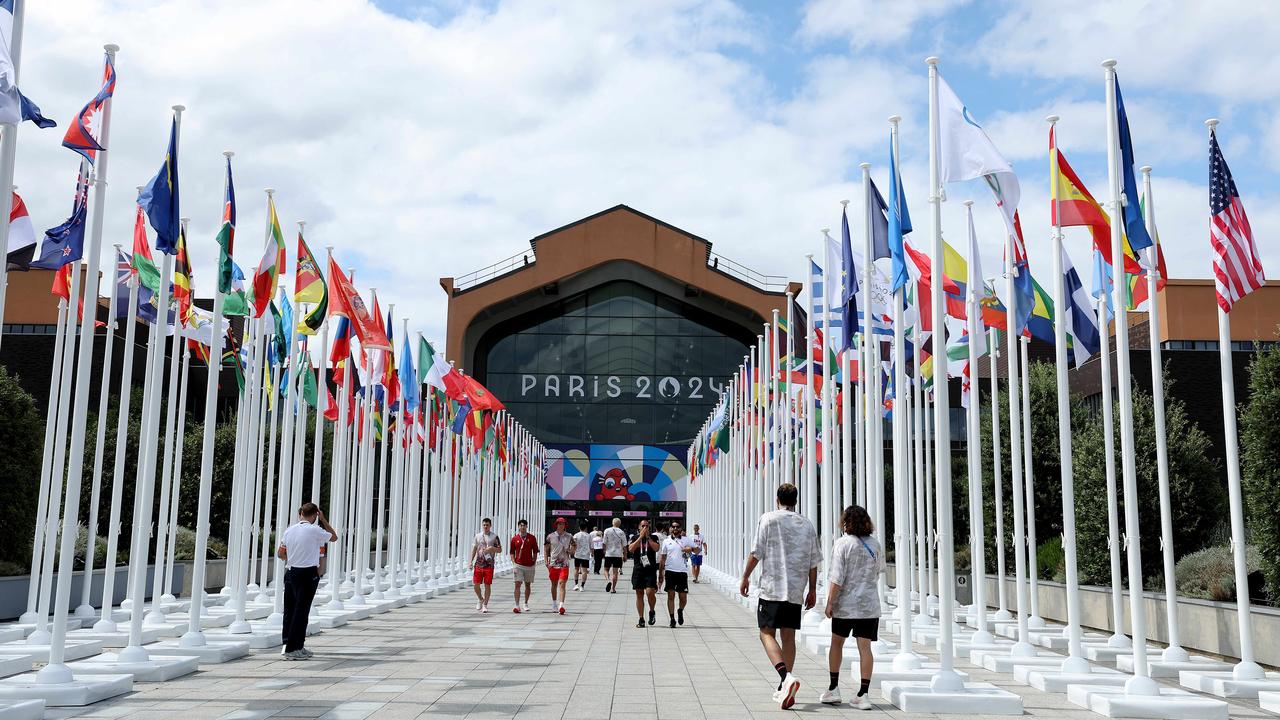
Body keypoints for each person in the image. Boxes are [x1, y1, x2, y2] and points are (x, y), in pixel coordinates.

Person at [740, 483, 820, 710]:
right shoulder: (807, 524)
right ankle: (784, 684)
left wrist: (745, 576)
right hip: (796, 589)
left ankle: (786, 678)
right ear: (796, 500)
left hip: (773, 587)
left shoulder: (768, 519)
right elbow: (814, 561)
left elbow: (757, 552)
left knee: (765, 633)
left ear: (777, 499)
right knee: (788, 637)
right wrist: (812, 589)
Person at [821, 505, 884, 708]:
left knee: (837, 643)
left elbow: (837, 578)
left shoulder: (842, 544)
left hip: (845, 605)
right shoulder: (875, 545)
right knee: (865, 648)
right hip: (868, 605)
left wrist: (830, 602)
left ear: (845, 522)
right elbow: (879, 571)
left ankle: (833, 688)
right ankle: (863, 694)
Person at [276, 503, 337, 660]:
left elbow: (280, 553)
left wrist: (293, 558)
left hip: (291, 572)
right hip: (307, 573)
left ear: (300, 514)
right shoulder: (315, 530)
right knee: (301, 611)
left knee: (290, 609)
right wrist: (323, 520)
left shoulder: (289, 530)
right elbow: (334, 537)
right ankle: (293, 648)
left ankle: (292, 645)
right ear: (315, 514)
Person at [658, 521, 695, 628]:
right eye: (673, 527)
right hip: (670, 571)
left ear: (680, 528)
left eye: (677, 527)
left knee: (683, 598)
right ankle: (672, 619)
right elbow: (663, 558)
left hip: (682, 572)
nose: (675, 528)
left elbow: (698, 550)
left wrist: (691, 549)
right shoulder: (666, 541)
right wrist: (660, 573)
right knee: (671, 595)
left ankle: (680, 610)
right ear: (670, 528)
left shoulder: (686, 540)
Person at [627, 519, 661, 628]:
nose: (645, 527)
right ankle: (641, 618)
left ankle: (651, 611)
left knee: (650, 592)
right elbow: (631, 549)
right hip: (638, 569)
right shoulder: (634, 537)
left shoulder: (654, 537)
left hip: (650, 569)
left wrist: (647, 538)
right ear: (639, 527)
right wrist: (640, 538)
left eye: (647, 526)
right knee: (639, 593)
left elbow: (656, 548)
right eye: (643, 526)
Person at [470, 517, 502, 613]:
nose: (485, 527)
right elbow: (474, 548)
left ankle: (485, 604)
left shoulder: (494, 536)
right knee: (476, 585)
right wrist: (470, 561)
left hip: (489, 564)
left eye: (487, 525)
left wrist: (492, 548)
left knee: (487, 585)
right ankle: (480, 599)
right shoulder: (478, 536)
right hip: (478, 564)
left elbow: (500, 550)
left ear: (490, 526)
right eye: (484, 525)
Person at [544, 517, 574, 614]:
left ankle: (561, 605)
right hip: (553, 564)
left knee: (562, 584)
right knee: (554, 585)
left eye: (563, 524)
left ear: (565, 525)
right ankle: (554, 604)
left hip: (564, 564)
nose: (561, 526)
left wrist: (569, 551)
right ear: (556, 525)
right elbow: (546, 549)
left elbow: (574, 548)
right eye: (559, 524)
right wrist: (546, 561)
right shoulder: (550, 536)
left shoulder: (569, 536)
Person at [510, 519, 539, 613]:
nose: (522, 527)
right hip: (518, 565)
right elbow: (511, 552)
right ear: (518, 527)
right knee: (517, 584)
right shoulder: (515, 538)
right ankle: (517, 605)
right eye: (521, 525)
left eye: (524, 525)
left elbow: (535, 550)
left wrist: (534, 561)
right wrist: (514, 562)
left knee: (527, 585)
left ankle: (525, 603)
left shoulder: (532, 538)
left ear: (527, 527)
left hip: (529, 565)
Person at [602, 518, 626, 593]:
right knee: (615, 572)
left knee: (606, 569)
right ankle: (613, 589)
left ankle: (608, 580)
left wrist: (604, 551)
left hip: (609, 554)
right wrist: (625, 555)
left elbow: (604, 543)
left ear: (612, 523)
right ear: (619, 524)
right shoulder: (621, 532)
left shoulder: (607, 530)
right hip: (618, 554)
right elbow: (624, 545)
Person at [572, 522, 593, 592]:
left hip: (577, 554)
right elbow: (591, 546)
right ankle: (582, 586)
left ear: (579, 528)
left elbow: (573, 544)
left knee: (576, 569)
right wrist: (592, 553)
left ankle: (576, 585)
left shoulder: (576, 535)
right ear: (586, 528)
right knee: (584, 571)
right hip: (586, 555)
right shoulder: (589, 536)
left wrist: (572, 552)